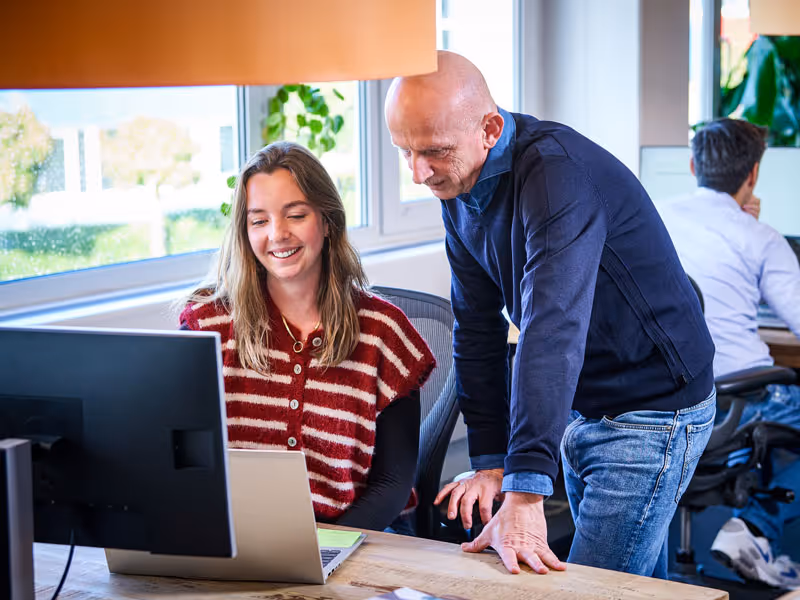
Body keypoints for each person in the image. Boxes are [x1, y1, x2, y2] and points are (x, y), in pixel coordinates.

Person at [384, 51, 716, 578]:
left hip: (651, 409)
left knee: (593, 589)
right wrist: (492, 457)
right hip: (584, 406)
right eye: (405, 152)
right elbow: (476, 326)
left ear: (490, 129)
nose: (419, 173)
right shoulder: (458, 182)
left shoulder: (557, 176)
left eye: (433, 152)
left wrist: (525, 488)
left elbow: (550, 328)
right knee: (638, 585)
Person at [179, 141, 435, 532]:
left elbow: (391, 484)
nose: (277, 234)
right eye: (259, 221)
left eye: (295, 215)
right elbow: (184, 460)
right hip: (235, 539)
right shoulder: (208, 325)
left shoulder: (385, 334)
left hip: (353, 540)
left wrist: (326, 549)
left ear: (327, 221)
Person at [657, 118, 800, 589]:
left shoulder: (650, 220)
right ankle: (756, 529)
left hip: (658, 400)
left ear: (694, 165)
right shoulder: (759, 238)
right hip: (735, 400)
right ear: (753, 175)